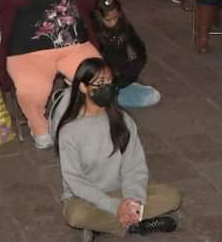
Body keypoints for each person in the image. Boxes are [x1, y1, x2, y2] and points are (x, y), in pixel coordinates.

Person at [56, 57, 180, 238]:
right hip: (85, 198)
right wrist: (114, 206)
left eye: (109, 82)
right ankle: (136, 223)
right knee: (76, 216)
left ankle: (113, 224)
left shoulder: (123, 121)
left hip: (120, 191)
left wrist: (133, 200)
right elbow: (75, 181)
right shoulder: (69, 131)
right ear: (83, 87)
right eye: (100, 83)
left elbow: (134, 166)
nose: (106, 87)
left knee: (172, 196)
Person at [0, 0, 100, 149]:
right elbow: (14, 0)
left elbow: (91, 3)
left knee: (98, 77)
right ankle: (40, 128)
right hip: (31, 51)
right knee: (33, 90)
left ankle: (82, 113)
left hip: (73, 45)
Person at [90, 0, 161, 108]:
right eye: (108, 20)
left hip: (124, 79)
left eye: (116, 18)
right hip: (104, 83)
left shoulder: (124, 27)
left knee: (153, 96)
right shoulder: (93, 34)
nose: (113, 22)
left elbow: (139, 50)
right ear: (100, 18)